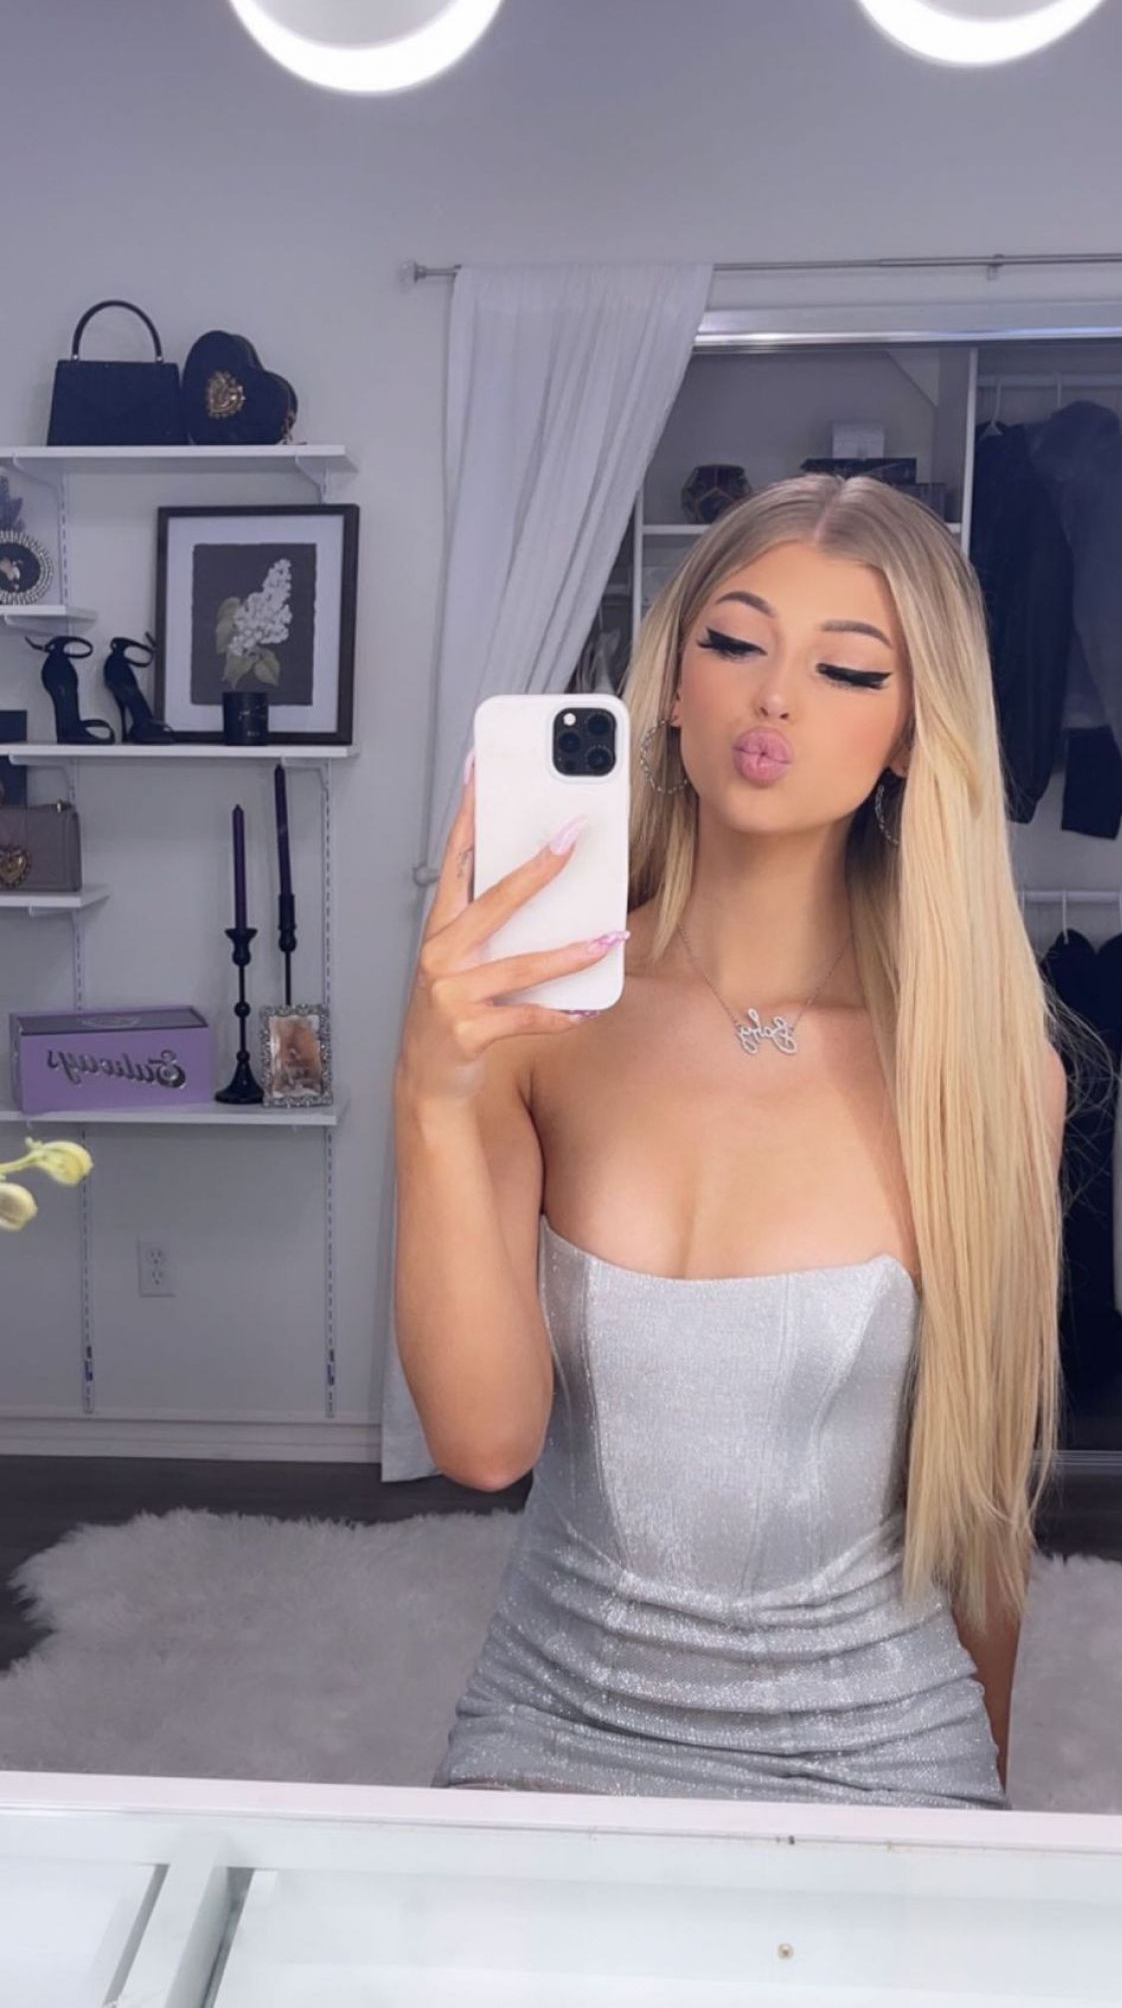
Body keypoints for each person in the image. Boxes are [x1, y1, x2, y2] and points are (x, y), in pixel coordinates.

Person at [393, 472, 1074, 1809]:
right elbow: (483, 1443)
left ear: (910, 733)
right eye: (735, 643)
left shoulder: (983, 1073)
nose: (775, 699)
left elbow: (987, 1507)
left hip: (880, 1747)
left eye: (847, 668)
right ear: (671, 684)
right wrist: (431, 1088)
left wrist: (986, 1829)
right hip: (550, 1720)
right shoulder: (534, 1025)